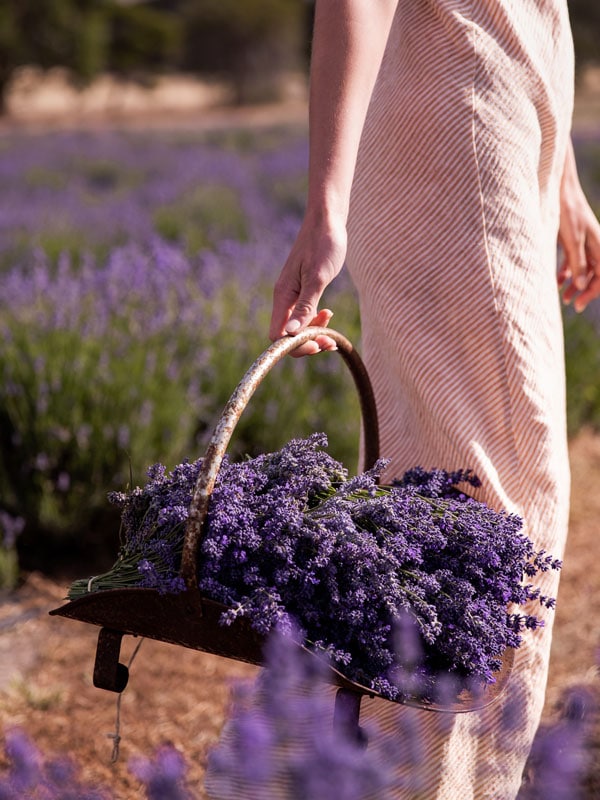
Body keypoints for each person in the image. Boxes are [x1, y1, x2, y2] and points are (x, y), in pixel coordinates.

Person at [264, 1, 600, 798]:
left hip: (505, 129)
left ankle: (389, 770)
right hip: (452, 129)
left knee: (446, 481)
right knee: (488, 497)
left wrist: (562, 178)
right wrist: (325, 207)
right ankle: (428, 781)